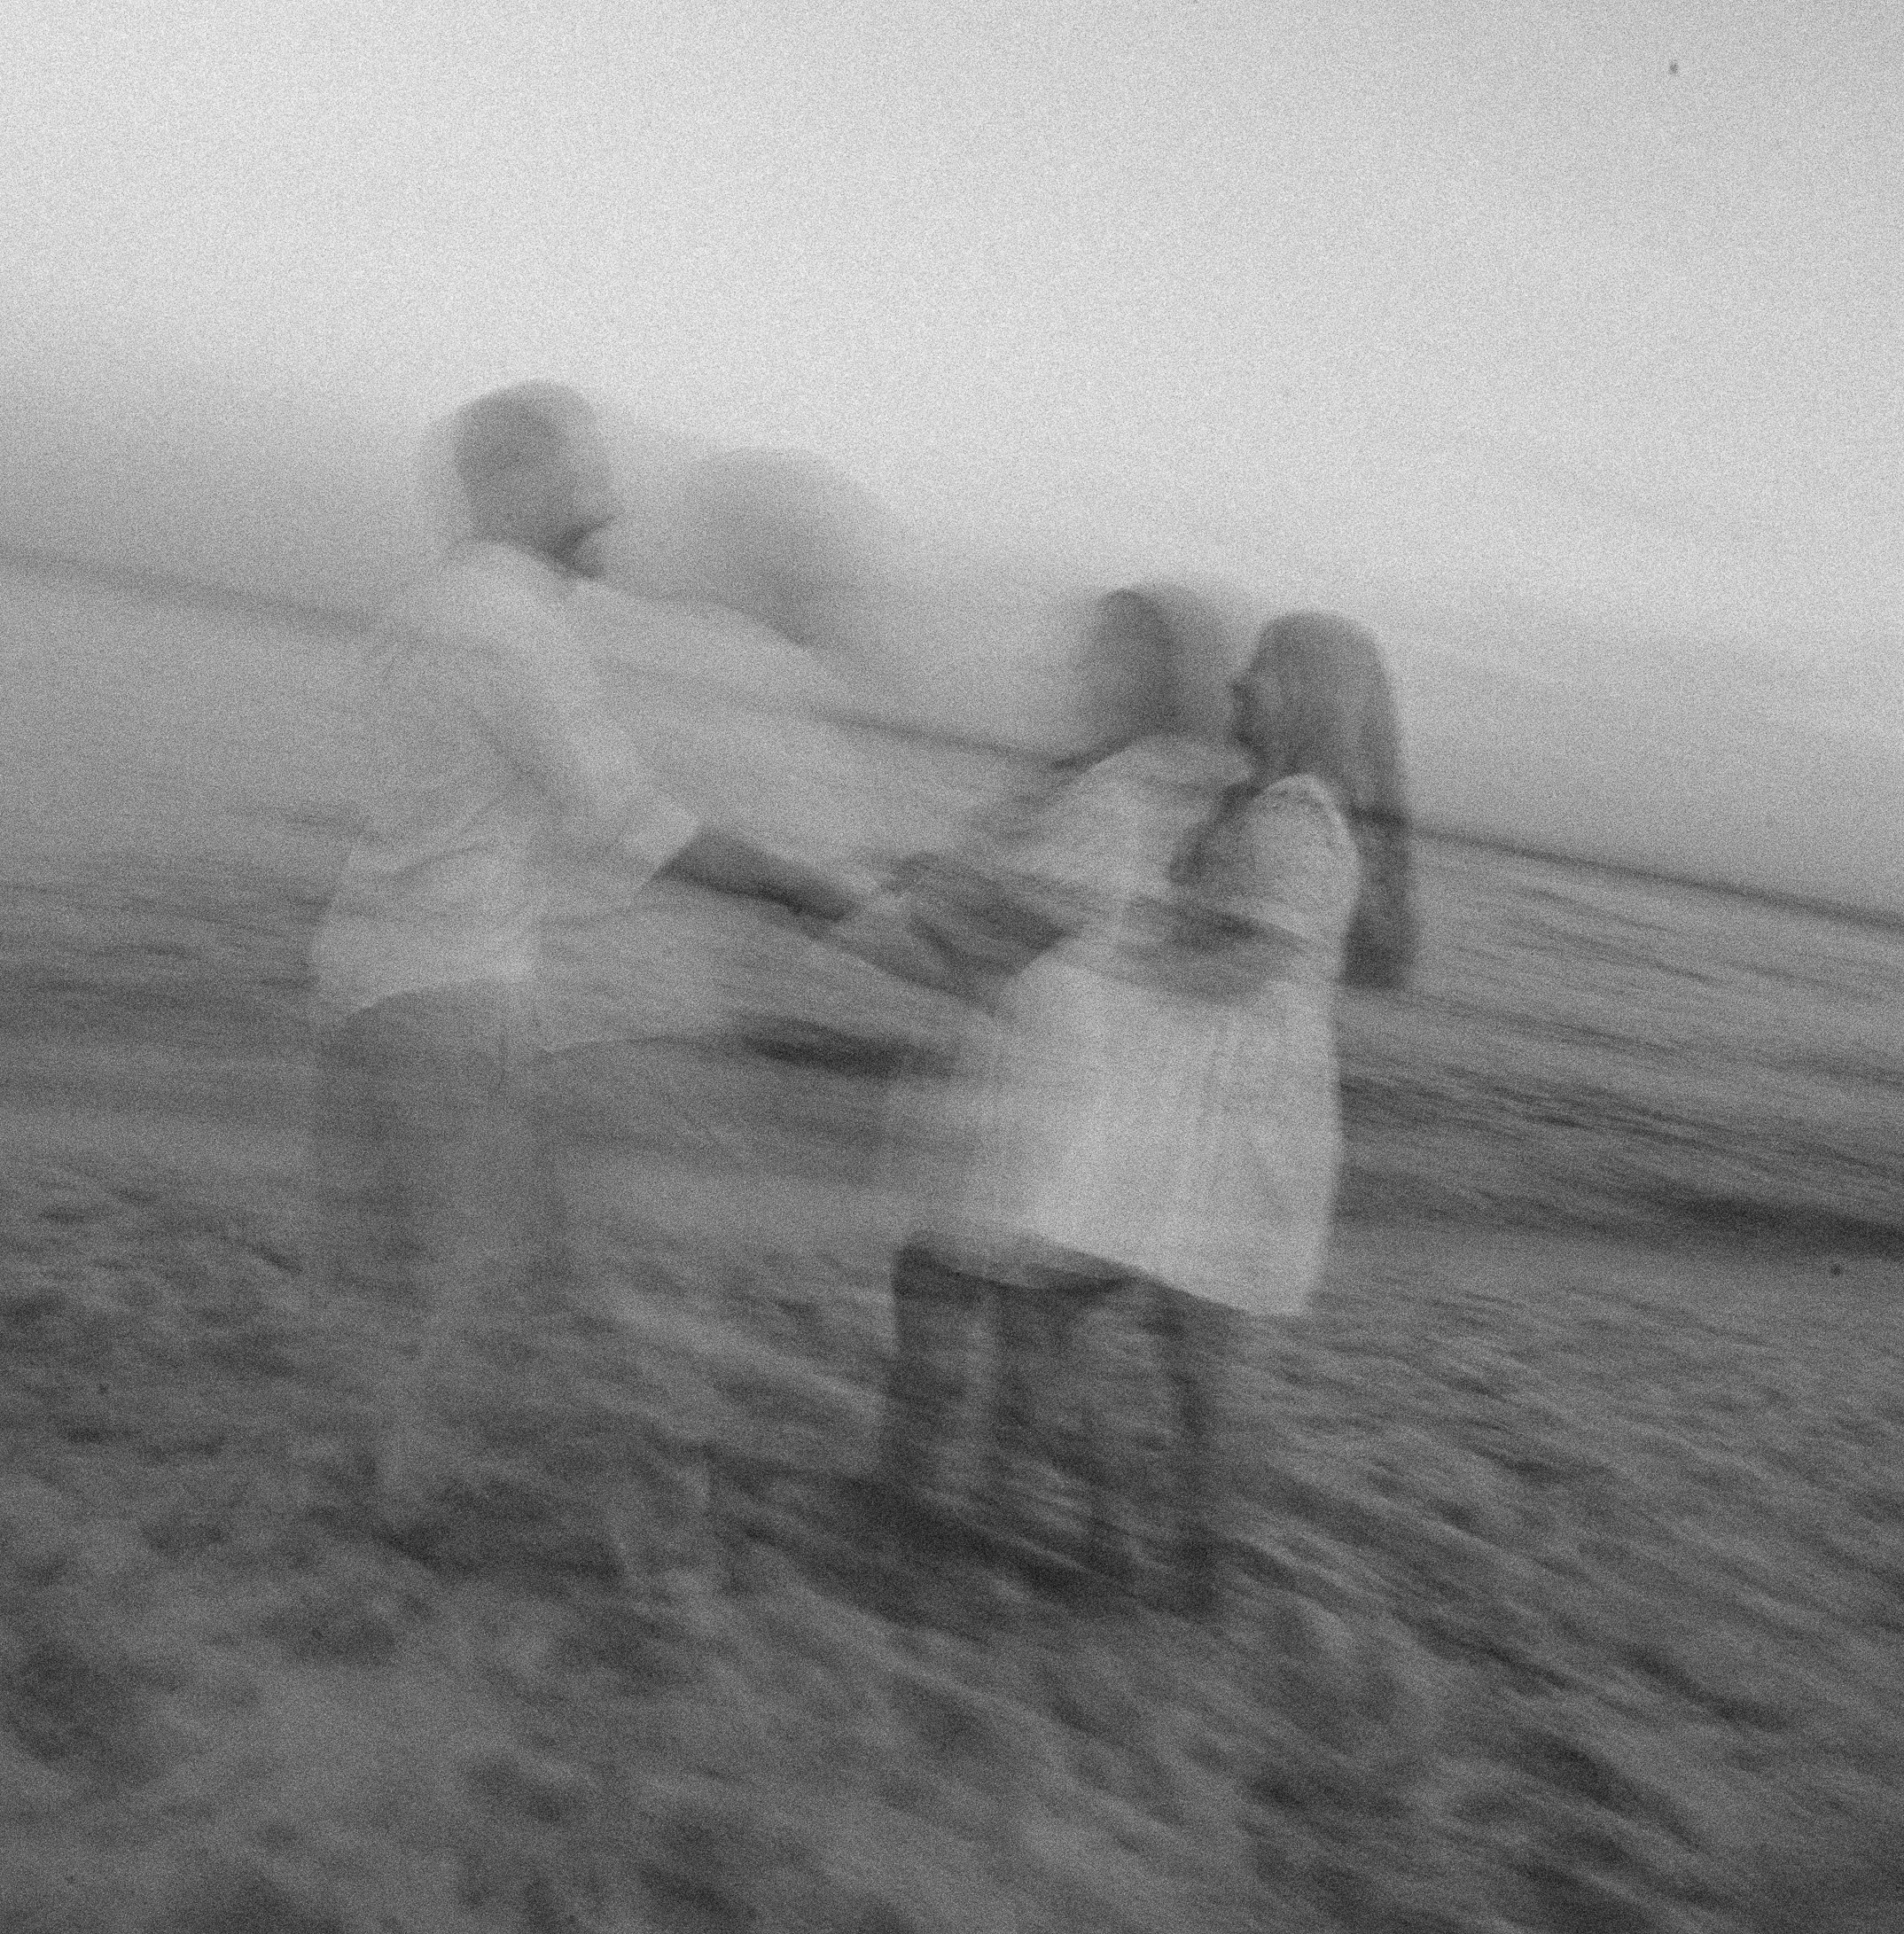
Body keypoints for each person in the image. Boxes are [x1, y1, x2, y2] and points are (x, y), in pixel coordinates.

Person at [308, 383, 862, 1536]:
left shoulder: (425, 608)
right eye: (585, 475)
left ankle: (379, 1478)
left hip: (364, 967)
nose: (608, 499)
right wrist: (800, 886)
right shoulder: (517, 629)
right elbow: (628, 819)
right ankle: (410, 1508)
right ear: (514, 483)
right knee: (491, 1264)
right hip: (455, 984)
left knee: (397, 1257)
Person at [846, 604, 1415, 1617]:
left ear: (1308, 696)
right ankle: (1143, 1555)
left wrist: (1083, 950)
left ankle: (1177, 1569)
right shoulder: (1270, 806)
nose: (1240, 686)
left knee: (1183, 1357)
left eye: (1262, 671)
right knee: (1142, 1341)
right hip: (1192, 1118)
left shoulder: (1294, 819)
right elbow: (1204, 942)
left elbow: (1234, 965)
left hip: (1235, 1134)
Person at [833, 583, 1246, 1553]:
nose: (1076, 670)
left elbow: (998, 944)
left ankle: (981, 1527)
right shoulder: (1097, 786)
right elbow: (1008, 902)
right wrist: (936, 879)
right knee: (952, 1299)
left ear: (1149, 679)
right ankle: (943, 1507)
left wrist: (844, 908)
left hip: (1030, 1082)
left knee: (979, 1310)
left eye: (1101, 654)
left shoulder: (1116, 798)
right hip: (1017, 1068)